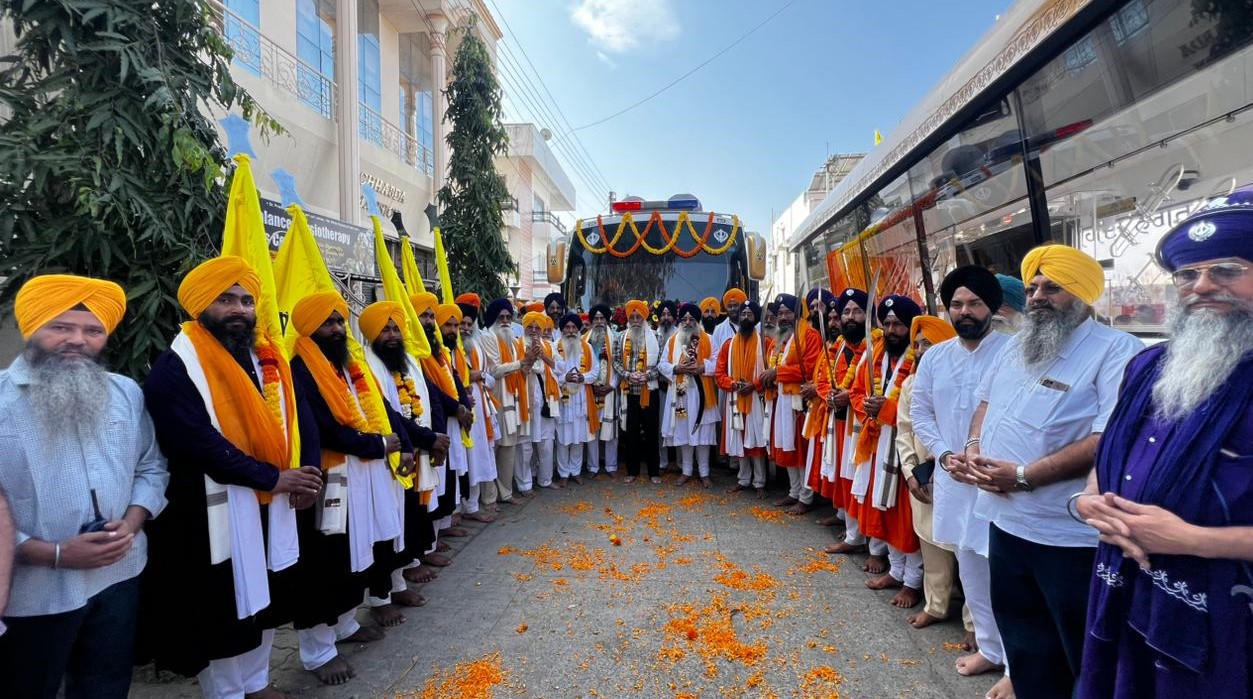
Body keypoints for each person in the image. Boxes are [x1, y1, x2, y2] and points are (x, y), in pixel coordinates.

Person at [1077, 192, 1253, 698]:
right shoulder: (1148, 366)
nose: (1202, 286)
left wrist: (1191, 540)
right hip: (1125, 591)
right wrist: (1087, 500)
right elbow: (1112, 456)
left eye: (1227, 269)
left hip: (1228, 623)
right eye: (1187, 274)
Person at [141, 258, 324, 698]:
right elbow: (199, 443)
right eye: (225, 300)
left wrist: (303, 477)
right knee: (223, 608)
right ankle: (226, 693)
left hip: (271, 500)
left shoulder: (266, 360)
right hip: (210, 510)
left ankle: (256, 682)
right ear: (201, 306)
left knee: (267, 597)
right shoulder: (175, 368)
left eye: (246, 300)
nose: (239, 309)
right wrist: (276, 479)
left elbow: (299, 419)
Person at [964, 245, 1140, 699]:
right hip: (1005, 523)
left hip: (1068, 537)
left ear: (1083, 294)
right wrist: (972, 449)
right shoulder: (1015, 344)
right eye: (1032, 288)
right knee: (1025, 643)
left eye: (1052, 288)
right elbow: (985, 404)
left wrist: (1025, 476)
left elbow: (1108, 438)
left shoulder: (1118, 351)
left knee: (1080, 653)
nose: (1038, 297)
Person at [0, 274, 168, 699]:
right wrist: (54, 553)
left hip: (120, 575)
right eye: (61, 326)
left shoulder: (125, 392)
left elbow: (151, 466)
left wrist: (132, 523)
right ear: (31, 327)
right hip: (32, 591)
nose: (77, 340)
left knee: (105, 687)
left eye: (93, 330)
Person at [289, 290, 416, 681]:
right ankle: (317, 653)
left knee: (355, 558)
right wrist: (377, 445)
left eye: (339, 321)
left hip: (363, 476)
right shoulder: (301, 369)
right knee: (326, 565)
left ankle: (345, 625)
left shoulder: (348, 364)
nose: (337, 329)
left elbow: (383, 409)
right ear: (309, 329)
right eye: (327, 322)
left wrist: (403, 444)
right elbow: (325, 429)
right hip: (329, 482)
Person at [909, 264, 1012, 694]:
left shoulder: (1013, 351)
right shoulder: (935, 356)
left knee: (1008, 572)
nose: (964, 311)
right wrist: (945, 454)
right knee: (970, 565)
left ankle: (1016, 665)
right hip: (953, 475)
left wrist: (986, 462)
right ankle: (989, 647)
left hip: (999, 481)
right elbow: (920, 412)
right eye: (956, 304)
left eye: (974, 303)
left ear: (992, 306)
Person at [359, 302, 449, 617]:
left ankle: (397, 583)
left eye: (396, 328)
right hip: (384, 458)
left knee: (404, 522)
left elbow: (425, 399)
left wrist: (431, 437)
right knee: (385, 528)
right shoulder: (367, 365)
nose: (392, 335)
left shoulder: (407, 360)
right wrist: (426, 439)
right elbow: (389, 414)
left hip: (410, 451)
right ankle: (380, 599)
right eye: (384, 329)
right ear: (371, 334)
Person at [896, 315, 973, 637]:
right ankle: (935, 605)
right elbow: (904, 431)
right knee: (930, 541)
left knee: (966, 548)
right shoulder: (910, 384)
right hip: (924, 477)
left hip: (959, 473)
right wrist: (910, 472)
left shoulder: (967, 380)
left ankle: (974, 623)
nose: (919, 350)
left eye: (927, 343)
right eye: (916, 345)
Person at [848, 296, 923, 599]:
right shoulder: (875, 353)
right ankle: (896, 570)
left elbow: (922, 405)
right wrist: (866, 407)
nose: (892, 330)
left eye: (899, 325)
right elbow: (856, 391)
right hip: (877, 440)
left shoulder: (921, 356)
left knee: (905, 515)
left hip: (908, 446)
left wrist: (888, 410)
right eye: (888, 324)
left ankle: (913, 582)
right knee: (885, 509)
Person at [812, 289, 872, 537]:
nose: (850, 317)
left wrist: (849, 396)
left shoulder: (874, 347)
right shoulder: (838, 347)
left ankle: (859, 536)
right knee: (842, 476)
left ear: (868, 315)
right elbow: (823, 380)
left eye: (857, 311)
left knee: (858, 479)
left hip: (861, 425)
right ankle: (850, 528)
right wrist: (829, 395)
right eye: (846, 312)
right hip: (837, 421)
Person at [760, 294, 822, 514]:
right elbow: (773, 367)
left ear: (797, 313)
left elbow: (809, 368)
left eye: (787, 312)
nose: (783, 317)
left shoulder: (810, 335)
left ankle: (806, 498)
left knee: (800, 450)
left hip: (799, 402)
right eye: (780, 313)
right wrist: (769, 377)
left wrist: (778, 372)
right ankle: (794, 492)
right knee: (787, 448)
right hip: (780, 400)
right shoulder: (780, 339)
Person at [658, 303, 721, 487]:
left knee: (703, 435)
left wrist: (702, 368)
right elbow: (662, 364)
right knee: (684, 432)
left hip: (703, 395)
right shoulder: (673, 340)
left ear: (697, 321)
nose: (687, 322)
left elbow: (718, 363)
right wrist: (676, 368)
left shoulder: (708, 339)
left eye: (691, 319)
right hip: (681, 394)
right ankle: (686, 471)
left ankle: (704, 473)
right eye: (684, 319)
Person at [716, 301, 773, 498]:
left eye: (749, 314)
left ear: (755, 318)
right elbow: (719, 374)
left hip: (757, 398)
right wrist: (733, 384)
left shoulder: (766, 343)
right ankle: (743, 479)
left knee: (756, 440)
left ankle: (760, 482)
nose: (745, 317)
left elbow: (771, 371)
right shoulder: (728, 345)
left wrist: (754, 384)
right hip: (735, 397)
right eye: (743, 314)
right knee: (739, 439)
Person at [455, 294, 499, 518]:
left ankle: (472, 506)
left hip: (481, 407)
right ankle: (460, 509)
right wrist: (472, 376)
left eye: (468, 324)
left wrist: (480, 375)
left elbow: (488, 377)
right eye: (461, 324)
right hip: (460, 409)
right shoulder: (451, 347)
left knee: (478, 456)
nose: (464, 328)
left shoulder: (478, 345)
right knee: (464, 458)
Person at [482, 298, 530, 504]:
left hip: (513, 398)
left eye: (509, 317)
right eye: (501, 317)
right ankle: (489, 497)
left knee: (509, 448)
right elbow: (493, 370)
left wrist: (528, 362)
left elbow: (521, 369)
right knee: (493, 449)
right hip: (496, 400)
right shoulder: (488, 337)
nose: (505, 321)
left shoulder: (513, 339)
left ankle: (506, 493)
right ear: (493, 318)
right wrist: (521, 363)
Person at [614, 299, 662, 483]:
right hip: (629, 392)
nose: (635, 320)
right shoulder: (621, 337)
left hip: (649, 391)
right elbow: (616, 362)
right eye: (632, 317)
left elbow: (661, 364)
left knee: (651, 432)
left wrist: (648, 376)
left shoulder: (656, 337)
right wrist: (627, 375)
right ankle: (632, 471)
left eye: (638, 317)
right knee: (631, 433)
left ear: (644, 318)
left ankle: (654, 472)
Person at [519, 311, 561, 489]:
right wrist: (528, 358)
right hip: (525, 400)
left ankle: (545, 479)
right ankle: (525, 484)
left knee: (546, 443)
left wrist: (543, 356)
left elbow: (561, 367)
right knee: (525, 445)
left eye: (538, 327)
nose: (534, 331)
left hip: (546, 401)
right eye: (530, 327)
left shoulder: (549, 346)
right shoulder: (517, 345)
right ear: (524, 328)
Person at [554, 314, 598, 486]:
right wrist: (563, 378)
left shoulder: (586, 347)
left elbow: (595, 371)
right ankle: (563, 474)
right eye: (567, 327)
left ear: (579, 329)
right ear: (562, 329)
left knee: (578, 437)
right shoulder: (554, 347)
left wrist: (583, 377)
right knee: (563, 439)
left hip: (580, 398)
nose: (571, 331)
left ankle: (576, 471)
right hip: (562, 400)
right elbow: (549, 374)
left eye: (574, 327)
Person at [584, 304, 620, 478]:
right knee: (592, 429)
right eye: (596, 319)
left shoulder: (616, 340)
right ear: (591, 321)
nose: (599, 322)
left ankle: (611, 466)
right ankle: (593, 467)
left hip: (610, 391)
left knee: (610, 429)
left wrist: (612, 385)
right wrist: (591, 384)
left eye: (602, 318)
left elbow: (620, 365)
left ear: (607, 320)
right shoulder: (584, 340)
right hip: (590, 391)